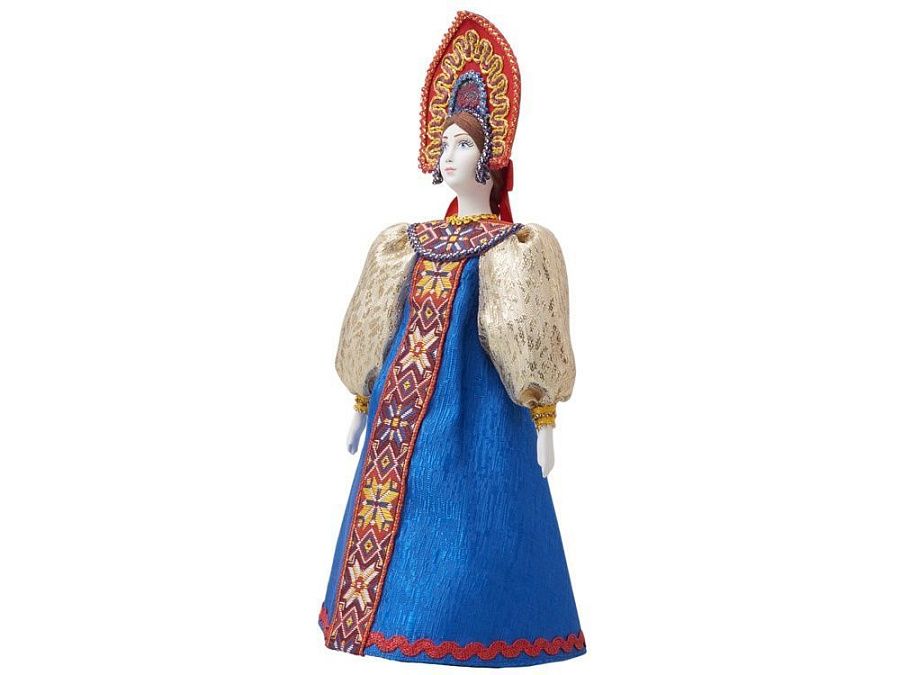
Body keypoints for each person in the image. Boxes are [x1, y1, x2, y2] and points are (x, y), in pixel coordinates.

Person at [318, 11, 586, 667]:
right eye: (444, 143)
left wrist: (544, 415)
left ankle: (474, 629)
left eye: (462, 143)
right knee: (403, 520)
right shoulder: (403, 243)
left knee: (477, 522)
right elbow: (376, 323)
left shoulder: (515, 246)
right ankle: (382, 621)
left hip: (479, 417)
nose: (448, 154)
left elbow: (528, 331)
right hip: (396, 420)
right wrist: (360, 400)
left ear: (490, 158)